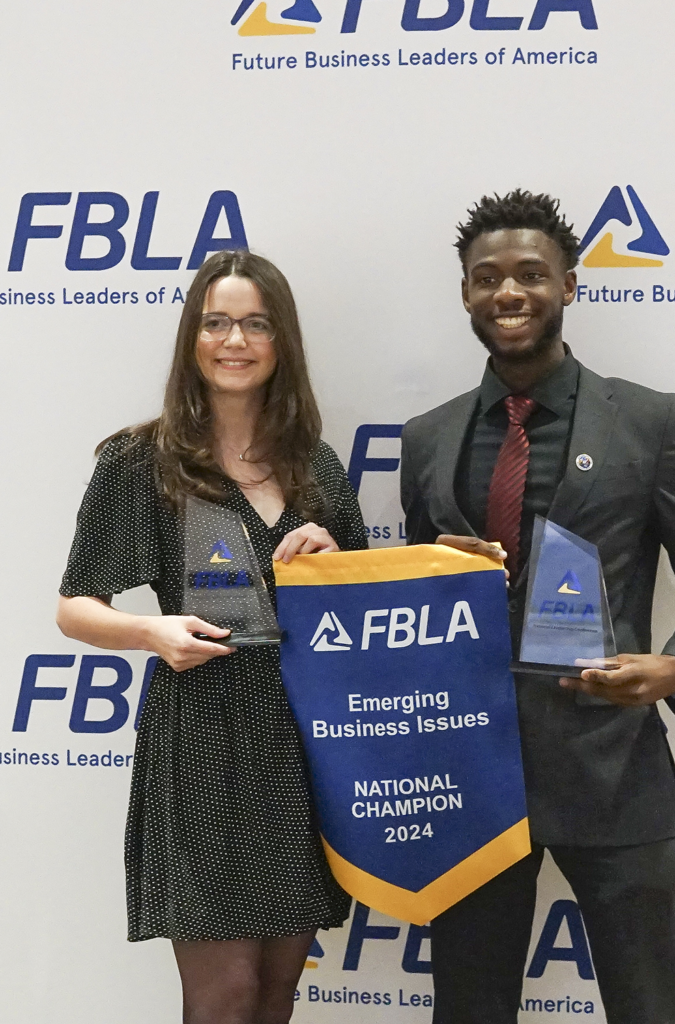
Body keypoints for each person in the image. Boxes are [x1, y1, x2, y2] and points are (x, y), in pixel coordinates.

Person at [399, 190, 675, 1024]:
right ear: (465, 294)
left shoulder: (649, 422)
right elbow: (415, 599)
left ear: (568, 284)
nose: (507, 293)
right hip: (472, 780)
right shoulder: (426, 438)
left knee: (647, 1008)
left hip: (613, 772)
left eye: (529, 274)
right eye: (486, 278)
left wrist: (674, 665)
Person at [56, 249, 366, 1024]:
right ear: (192, 337)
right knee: (223, 995)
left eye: (256, 324)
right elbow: (73, 607)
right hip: (200, 740)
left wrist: (332, 566)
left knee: (275, 993)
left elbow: (366, 612)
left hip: (302, 748)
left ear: (280, 342)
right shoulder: (141, 459)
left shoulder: (316, 467)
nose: (236, 340)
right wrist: (149, 630)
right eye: (217, 321)